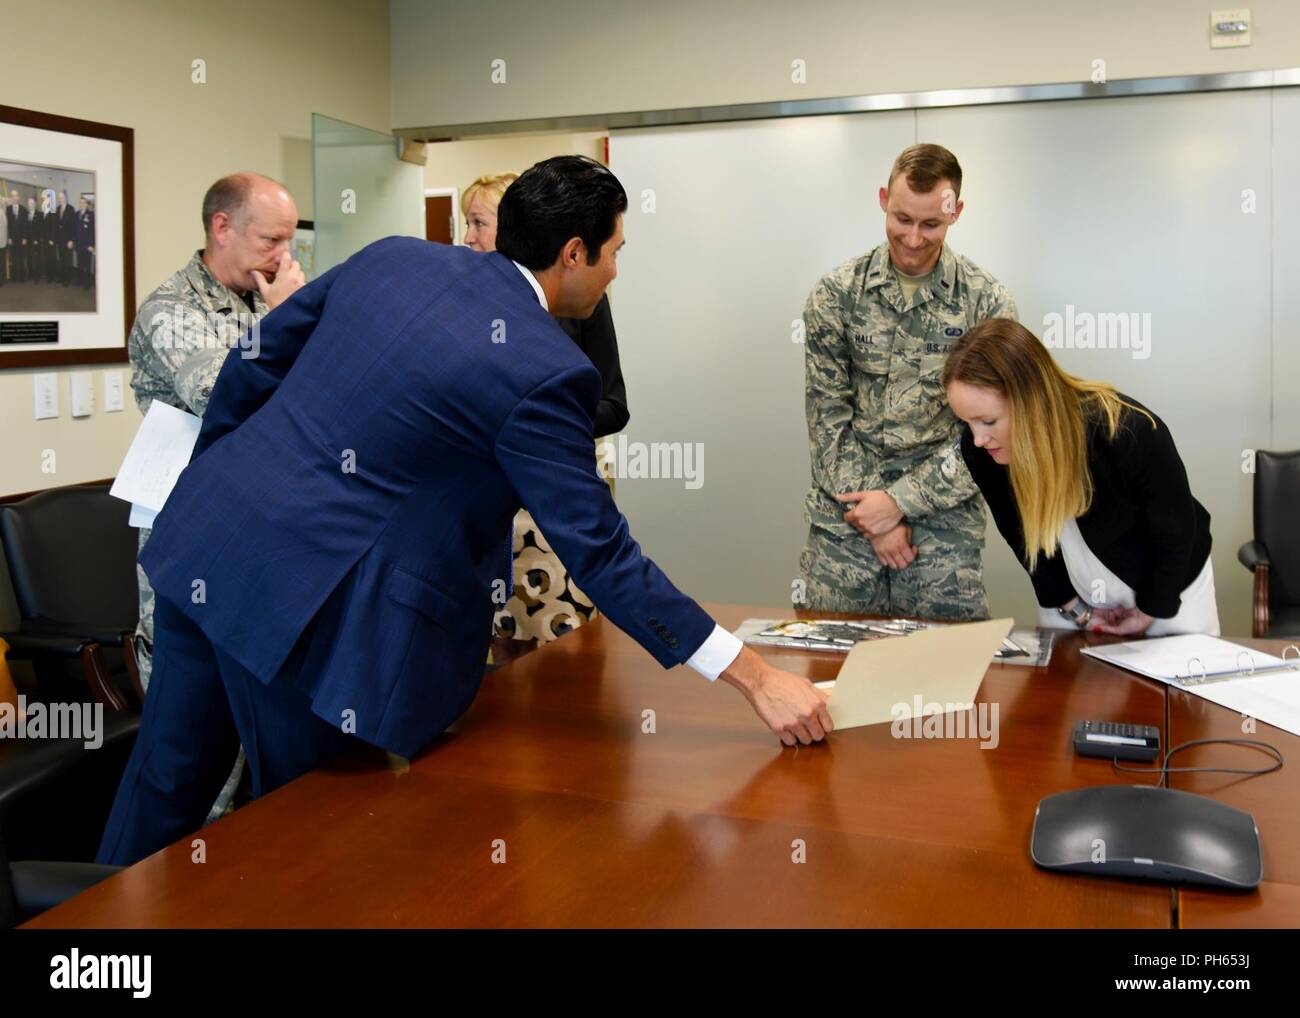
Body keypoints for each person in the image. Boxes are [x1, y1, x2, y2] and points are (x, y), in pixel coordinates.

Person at [96, 156, 831, 867]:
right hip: (304, 604)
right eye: (615, 252)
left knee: (166, 779)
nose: (616, 271)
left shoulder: (394, 259)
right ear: (573, 253)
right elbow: (601, 552)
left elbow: (256, 358)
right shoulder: (544, 370)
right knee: (309, 831)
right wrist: (757, 678)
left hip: (205, 539)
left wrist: (223, 475)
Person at [127, 172, 305, 822]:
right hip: (187, 551)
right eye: (271, 240)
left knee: (259, 750)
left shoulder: (266, 300)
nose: (283, 258)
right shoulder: (171, 310)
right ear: (221, 228)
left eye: (290, 242)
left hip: (262, 543)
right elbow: (223, 391)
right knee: (194, 766)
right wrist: (290, 323)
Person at [801, 143, 1017, 619]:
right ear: (883, 199)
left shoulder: (987, 305)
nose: (914, 238)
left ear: (956, 212)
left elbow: (992, 431)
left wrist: (898, 503)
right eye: (902, 219)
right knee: (831, 672)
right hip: (846, 526)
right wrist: (874, 518)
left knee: (946, 679)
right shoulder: (835, 295)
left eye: (930, 224)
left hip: (941, 531)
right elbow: (827, 418)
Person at [943, 317, 1218, 637]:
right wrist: (1073, 606)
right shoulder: (981, 451)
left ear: (1032, 400)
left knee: (1176, 680)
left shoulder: (1126, 430)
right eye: (967, 422)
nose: (977, 439)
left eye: (988, 421)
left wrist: (1152, 608)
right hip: (1075, 590)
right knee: (1071, 684)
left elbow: (1176, 529)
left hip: (1170, 583)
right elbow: (1019, 534)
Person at [462, 170, 631, 645]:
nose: (467, 237)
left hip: (550, 503)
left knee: (565, 654)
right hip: (483, 509)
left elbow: (614, 405)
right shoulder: (463, 304)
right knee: (489, 653)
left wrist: (536, 424)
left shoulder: (582, 300)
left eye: (478, 223)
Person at [74, 196, 94, 289]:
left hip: (87, 245)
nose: (82, 204)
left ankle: (87, 284)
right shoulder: (77, 213)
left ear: (86, 204)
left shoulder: (91, 214)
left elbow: (93, 231)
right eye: (80, 202)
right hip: (79, 244)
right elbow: (75, 230)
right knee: (80, 264)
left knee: (87, 265)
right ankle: (80, 280)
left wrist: (91, 245)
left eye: (83, 202)